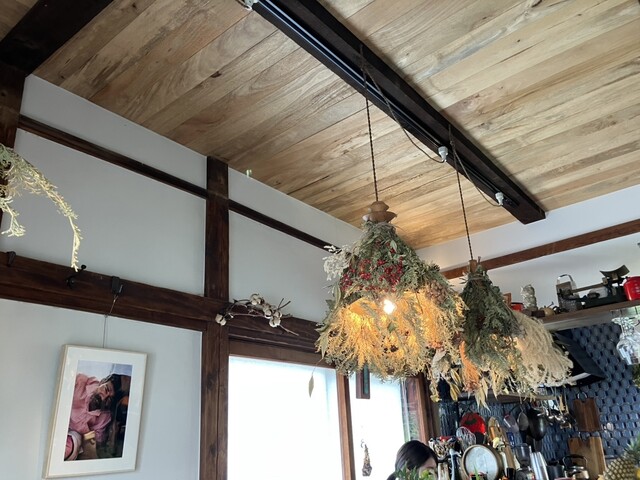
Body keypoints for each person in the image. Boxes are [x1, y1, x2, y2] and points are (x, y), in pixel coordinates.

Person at [64, 373, 130, 460]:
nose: (103, 398)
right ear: (103, 381)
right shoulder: (81, 381)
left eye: (110, 400)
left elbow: (100, 443)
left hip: (72, 436)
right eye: (106, 389)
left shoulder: (105, 417)